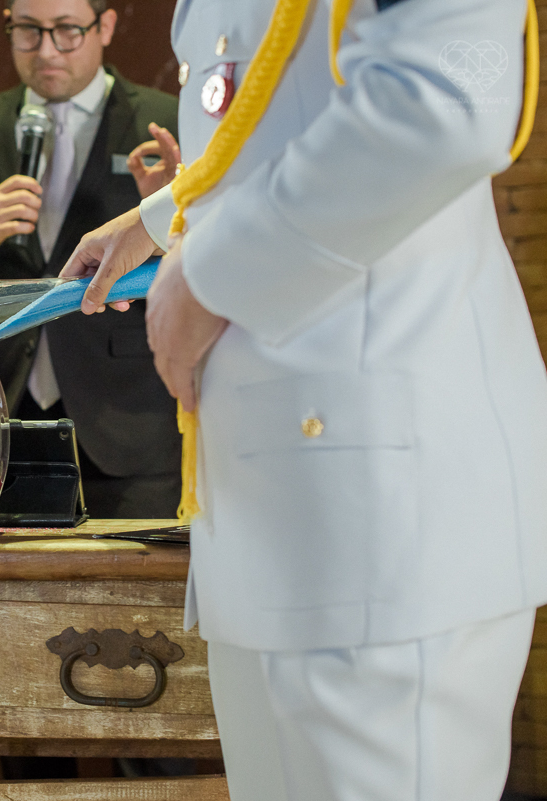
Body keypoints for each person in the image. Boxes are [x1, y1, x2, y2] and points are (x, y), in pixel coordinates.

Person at [64, 0, 547, 798]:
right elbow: (281, 111)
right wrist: (162, 216)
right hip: (275, 519)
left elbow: (450, 98)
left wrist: (209, 275)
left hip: (384, 518)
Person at [0, 0, 183, 518]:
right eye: (28, 30)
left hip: (129, 422)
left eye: (67, 30)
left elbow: (212, 267)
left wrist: (170, 220)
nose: (46, 50)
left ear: (105, 26)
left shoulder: (166, 119)